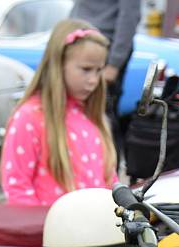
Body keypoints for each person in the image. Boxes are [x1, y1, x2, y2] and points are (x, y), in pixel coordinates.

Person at [0, 19, 117, 207]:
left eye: (98, 70)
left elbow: (111, 182)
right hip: (48, 233)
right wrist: (37, 229)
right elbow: (17, 188)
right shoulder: (30, 117)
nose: (94, 80)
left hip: (96, 233)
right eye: (86, 69)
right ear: (58, 64)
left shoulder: (93, 117)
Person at [71, 0, 140, 160]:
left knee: (103, 118)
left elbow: (129, 16)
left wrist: (114, 64)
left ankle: (109, 179)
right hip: (79, 45)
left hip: (105, 51)